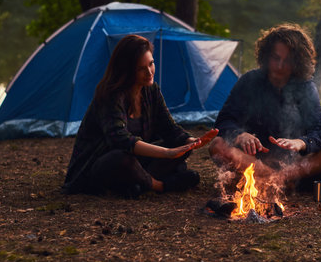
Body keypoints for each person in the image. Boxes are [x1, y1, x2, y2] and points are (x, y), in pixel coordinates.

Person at [62, 35, 216, 197]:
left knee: (179, 145)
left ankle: (136, 184)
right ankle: (160, 185)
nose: (149, 72)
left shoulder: (151, 91)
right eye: (141, 68)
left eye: (151, 64)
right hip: (102, 164)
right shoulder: (110, 95)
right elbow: (119, 140)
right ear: (127, 70)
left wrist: (192, 142)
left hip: (137, 162)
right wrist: (166, 153)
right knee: (121, 159)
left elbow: (169, 128)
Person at [209, 23, 321, 194]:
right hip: (253, 161)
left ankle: (278, 180)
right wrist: (240, 135)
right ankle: (275, 180)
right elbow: (223, 122)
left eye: (287, 61)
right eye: (276, 58)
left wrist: (302, 142)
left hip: (291, 165)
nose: (280, 66)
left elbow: (320, 129)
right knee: (217, 144)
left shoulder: (304, 87)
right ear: (267, 56)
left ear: (297, 62)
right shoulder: (250, 81)